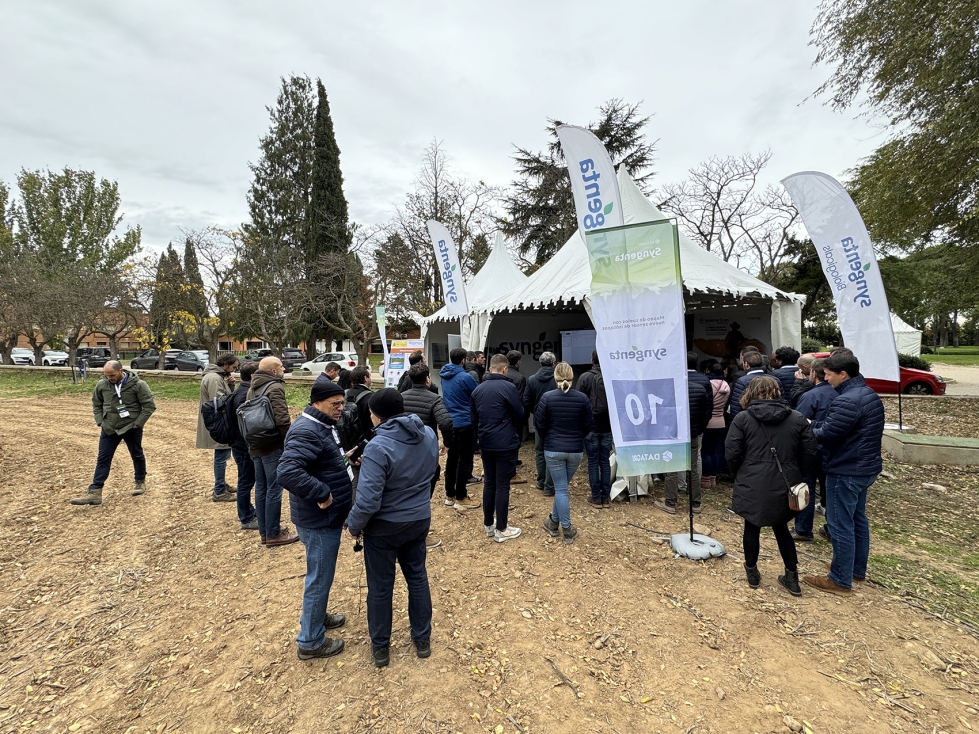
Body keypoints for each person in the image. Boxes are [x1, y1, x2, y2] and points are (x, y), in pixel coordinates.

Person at [347, 389, 439, 668]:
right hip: (419, 518)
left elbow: (368, 499)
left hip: (384, 527)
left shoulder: (378, 446)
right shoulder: (428, 434)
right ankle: (422, 639)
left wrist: (353, 526)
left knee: (380, 587)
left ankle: (380, 646)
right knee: (417, 578)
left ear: (376, 416)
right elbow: (429, 471)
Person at [277, 379, 353, 660]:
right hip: (319, 519)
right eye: (335, 404)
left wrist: (342, 460)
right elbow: (287, 471)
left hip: (325, 518)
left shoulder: (320, 426)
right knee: (319, 578)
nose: (340, 409)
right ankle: (310, 641)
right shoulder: (307, 430)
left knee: (322, 575)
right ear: (316, 403)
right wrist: (321, 491)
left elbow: (315, 462)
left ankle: (318, 617)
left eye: (342, 403)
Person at [725, 376, 818, 596]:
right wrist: (800, 475)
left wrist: (739, 473)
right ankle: (792, 576)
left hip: (752, 479)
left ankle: (752, 571)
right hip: (786, 480)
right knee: (781, 527)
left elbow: (731, 452)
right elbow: (810, 452)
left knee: (751, 525)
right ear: (777, 391)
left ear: (751, 392)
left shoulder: (743, 418)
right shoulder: (797, 418)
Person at [803, 349, 884, 596]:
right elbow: (838, 428)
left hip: (846, 469)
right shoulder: (867, 394)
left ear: (843, 374)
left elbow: (827, 435)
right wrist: (817, 425)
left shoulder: (847, 401)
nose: (825, 379)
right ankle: (854, 568)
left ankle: (839, 579)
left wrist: (807, 428)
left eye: (828, 374)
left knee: (840, 525)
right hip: (864, 467)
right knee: (858, 519)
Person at [72, 361, 156, 506]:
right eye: (107, 375)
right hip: (109, 427)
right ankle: (95, 492)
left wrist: (138, 423)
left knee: (136, 454)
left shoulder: (138, 385)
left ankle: (140, 482)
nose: (109, 378)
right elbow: (96, 404)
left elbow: (149, 405)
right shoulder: (102, 385)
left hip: (131, 427)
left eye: (112, 375)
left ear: (121, 371)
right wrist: (100, 421)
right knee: (103, 458)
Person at [535, 362, 594, 544]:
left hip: (553, 449)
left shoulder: (547, 397)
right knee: (562, 488)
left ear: (555, 377)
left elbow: (539, 424)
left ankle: (566, 528)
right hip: (575, 450)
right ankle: (553, 522)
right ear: (572, 376)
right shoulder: (582, 398)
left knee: (561, 489)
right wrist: (577, 437)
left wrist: (548, 438)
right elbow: (588, 425)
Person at [471, 354, 525, 542]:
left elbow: (473, 418)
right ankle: (502, 528)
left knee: (489, 483)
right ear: (504, 369)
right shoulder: (509, 387)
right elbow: (519, 413)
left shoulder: (478, 390)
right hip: (505, 443)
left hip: (486, 442)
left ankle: (488, 525)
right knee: (502, 485)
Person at [248, 357, 299, 547]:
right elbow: (282, 420)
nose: (284, 368)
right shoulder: (274, 387)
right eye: (281, 366)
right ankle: (273, 533)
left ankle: (265, 532)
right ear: (273, 371)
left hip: (255, 444)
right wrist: (291, 441)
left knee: (261, 488)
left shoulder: (253, 387)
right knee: (275, 489)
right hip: (272, 444)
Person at [792, 358, 835, 542]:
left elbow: (799, 424)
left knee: (805, 488)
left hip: (811, 450)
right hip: (833, 451)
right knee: (831, 492)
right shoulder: (840, 393)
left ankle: (802, 529)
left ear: (814, 374)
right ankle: (833, 529)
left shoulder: (810, 396)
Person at [655, 375, 711, 516]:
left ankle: (670, 502)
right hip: (692, 434)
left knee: (672, 468)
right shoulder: (700, 390)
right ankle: (695, 503)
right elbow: (706, 414)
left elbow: (662, 413)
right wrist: (698, 430)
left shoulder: (668, 390)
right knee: (693, 468)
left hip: (674, 434)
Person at [402, 363, 453, 497]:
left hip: (403, 447)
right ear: (427, 379)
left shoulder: (401, 397)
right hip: (426, 448)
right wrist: (447, 443)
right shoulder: (435, 399)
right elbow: (446, 422)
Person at [439, 348, 480, 510]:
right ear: (463, 360)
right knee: (465, 459)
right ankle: (461, 496)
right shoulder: (466, 377)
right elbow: (476, 395)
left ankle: (450, 494)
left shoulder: (444, 375)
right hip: (464, 422)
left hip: (450, 422)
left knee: (452, 458)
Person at [197, 353, 239, 502]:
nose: (234, 370)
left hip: (218, 422)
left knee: (222, 455)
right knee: (221, 456)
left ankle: (220, 484)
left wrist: (230, 385)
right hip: (219, 424)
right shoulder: (214, 378)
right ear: (226, 365)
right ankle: (219, 490)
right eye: (233, 367)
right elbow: (219, 402)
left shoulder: (216, 377)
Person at [577, 351, 613, 507]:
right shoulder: (611, 377)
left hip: (591, 427)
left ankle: (596, 497)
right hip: (608, 427)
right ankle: (606, 497)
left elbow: (578, 402)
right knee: (605, 461)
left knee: (592, 462)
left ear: (592, 360)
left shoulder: (585, 377)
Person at [229, 361, 259, 530]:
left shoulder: (240, 391)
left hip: (240, 444)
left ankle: (248, 510)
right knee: (245, 481)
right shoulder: (243, 395)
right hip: (243, 446)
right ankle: (246, 518)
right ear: (253, 376)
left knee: (246, 479)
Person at [523, 351, 557, 497]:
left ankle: (541, 481)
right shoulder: (558, 379)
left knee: (540, 452)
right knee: (552, 453)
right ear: (553, 364)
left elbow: (526, 401)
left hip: (539, 421)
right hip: (556, 421)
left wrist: (536, 412)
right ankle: (549, 486)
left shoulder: (531, 379)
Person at [701, 362, 730, 488]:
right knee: (715, 451)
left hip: (708, 422)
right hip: (721, 421)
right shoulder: (726, 385)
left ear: (708, 370)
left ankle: (705, 479)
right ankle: (714, 478)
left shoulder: (708, 384)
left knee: (705, 451)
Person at [728, 350, 766, 419]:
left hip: (749, 420)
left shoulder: (741, 381)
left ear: (746, 364)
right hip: (770, 420)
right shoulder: (775, 380)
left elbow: (736, 407)